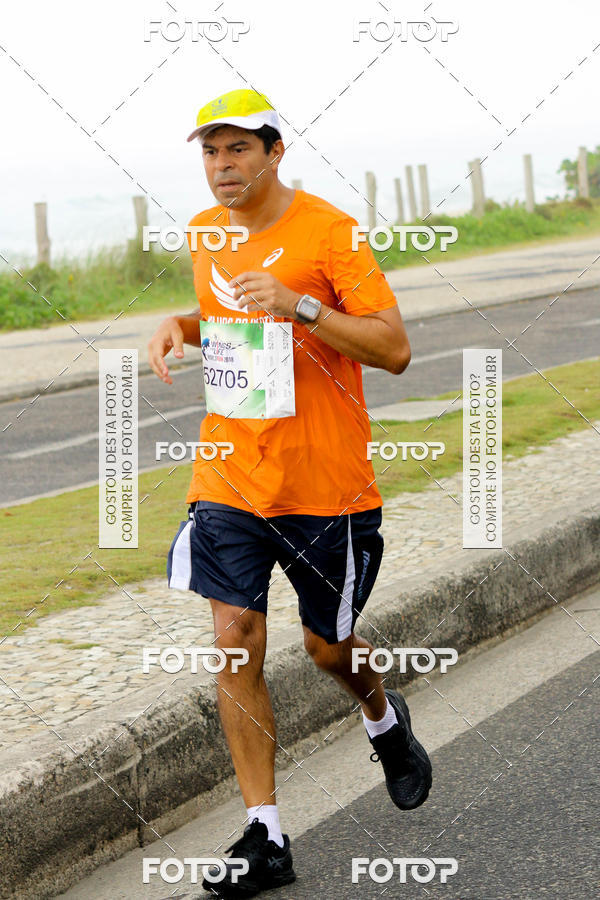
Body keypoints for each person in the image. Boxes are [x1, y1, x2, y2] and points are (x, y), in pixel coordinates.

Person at [147, 88, 432, 899]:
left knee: (327, 650)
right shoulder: (204, 233)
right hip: (231, 472)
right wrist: (181, 321)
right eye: (209, 151)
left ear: (274, 151)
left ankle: (382, 718)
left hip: (325, 485)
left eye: (237, 149)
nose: (221, 166)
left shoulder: (330, 230)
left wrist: (304, 305)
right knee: (234, 636)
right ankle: (265, 837)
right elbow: (230, 322)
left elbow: (394, 348)